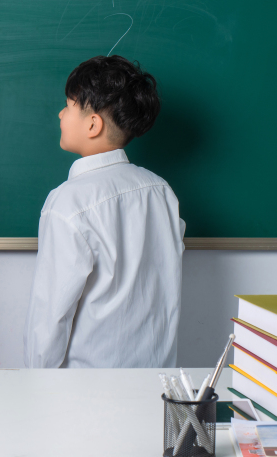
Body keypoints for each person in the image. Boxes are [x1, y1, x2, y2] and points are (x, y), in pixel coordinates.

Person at [24, 56, 185, 368]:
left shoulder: (68, 203)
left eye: (68, 105)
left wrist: (36, 380)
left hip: (87, 390)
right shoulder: (161, 191)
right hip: (154, 381)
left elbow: (51, 314)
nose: (60, 113)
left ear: (93, 124)